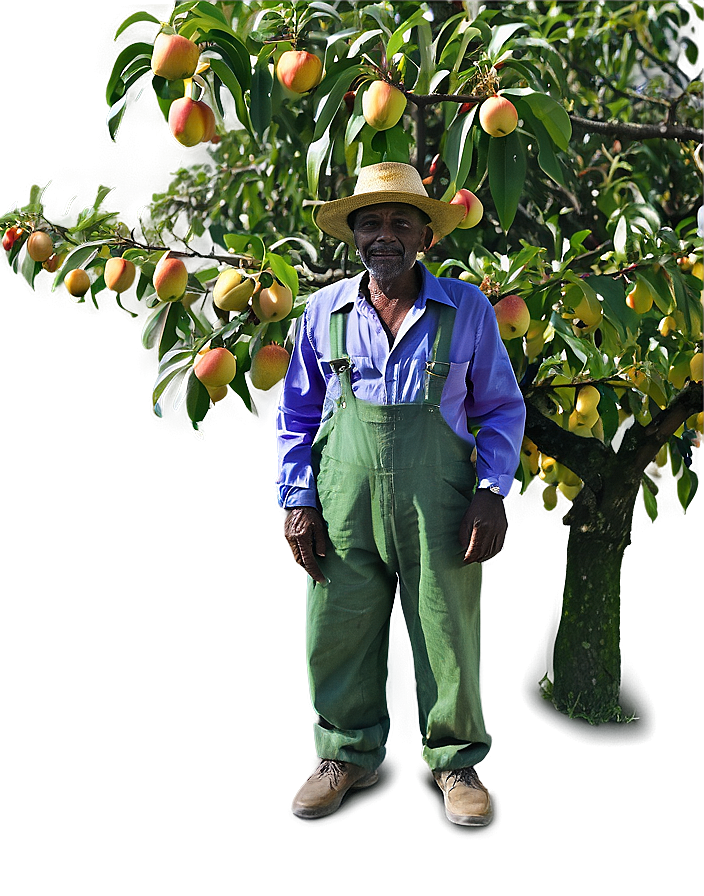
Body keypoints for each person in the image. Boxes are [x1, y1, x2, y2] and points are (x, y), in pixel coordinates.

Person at [276, 162, 526, 825]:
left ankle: (457, 762)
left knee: (447, 628)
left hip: (438, 503)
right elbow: (296, 418)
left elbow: (501, 408)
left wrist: (492, 490)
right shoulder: (320, 312)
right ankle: (345, 754)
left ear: (425, 236)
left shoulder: (466, 309)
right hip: (342, 503)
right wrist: (297, 500)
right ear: (352, 235)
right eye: (370, 223)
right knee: (338, 629)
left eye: (399, 222)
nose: (383, 235)